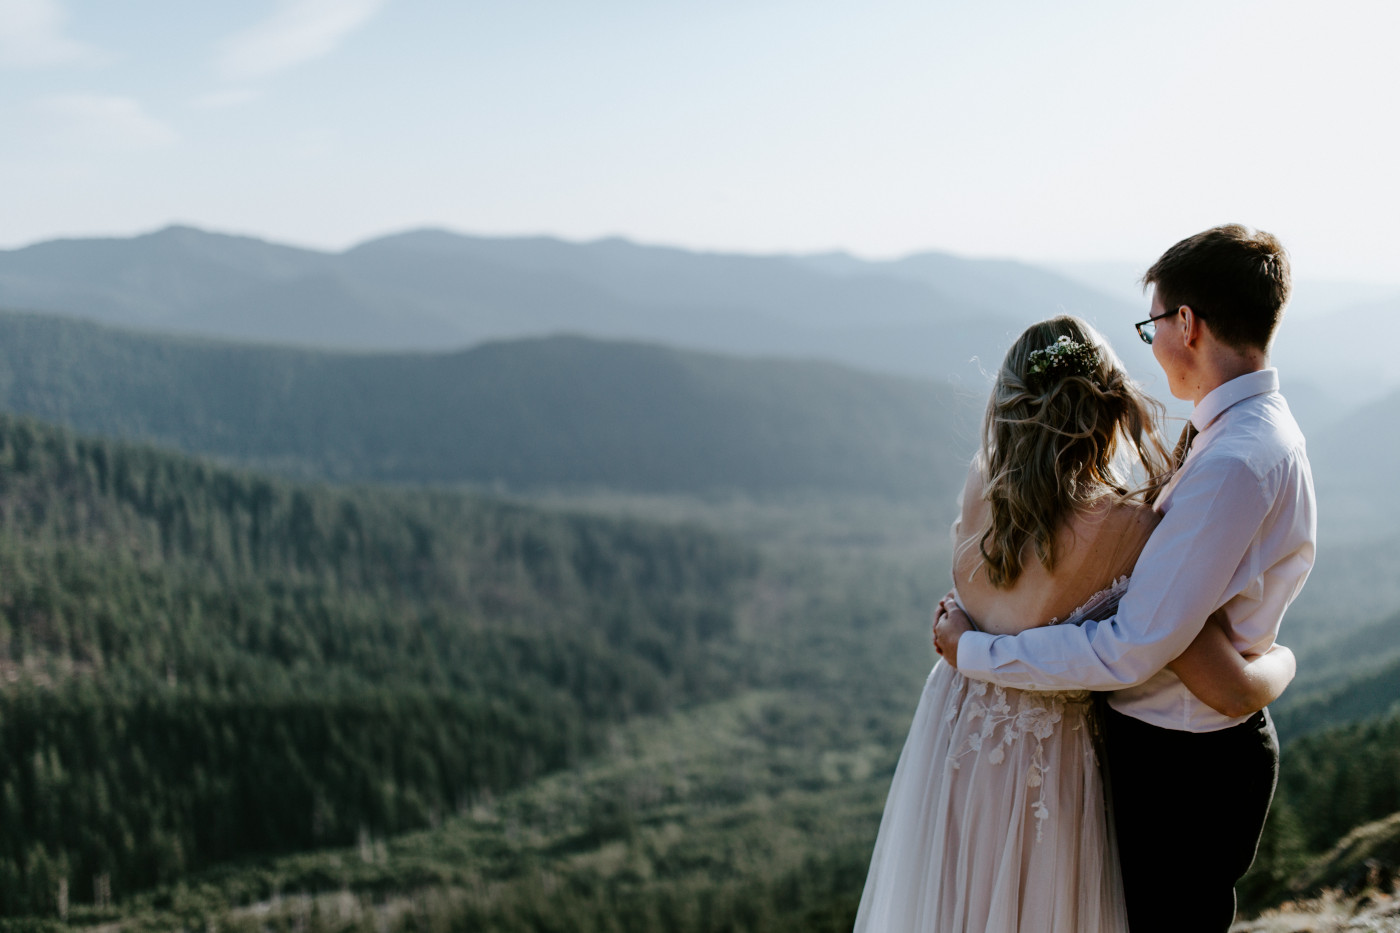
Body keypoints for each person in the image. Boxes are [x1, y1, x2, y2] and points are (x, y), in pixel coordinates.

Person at [854, 312, 1296, 932]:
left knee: (954, 900)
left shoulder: (984, 485)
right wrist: (1283, 662)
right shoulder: (1133, 531)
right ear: (1106, 405)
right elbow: (1215, 676)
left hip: (956, 732)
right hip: (1048, 753)